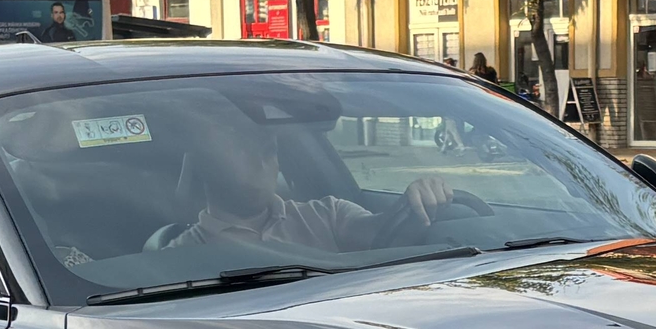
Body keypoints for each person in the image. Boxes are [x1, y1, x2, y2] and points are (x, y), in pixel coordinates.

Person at [153, 116, 452, 253]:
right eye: (242, 152)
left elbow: (385, 237)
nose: (261, 163)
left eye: (268, 151)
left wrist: (419, 201)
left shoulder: (327, 214)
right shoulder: (182, 254)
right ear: (207, 167)